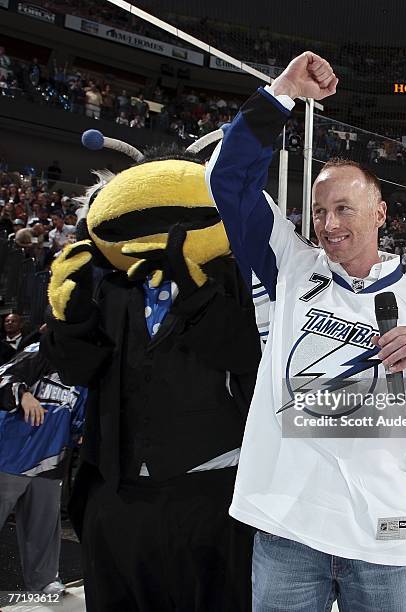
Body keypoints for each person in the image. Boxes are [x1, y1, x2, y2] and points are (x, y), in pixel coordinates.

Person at [206, 51, 406, 612]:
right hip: (287, 526)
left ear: (380, 213)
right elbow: (227, 179)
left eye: (344, 209)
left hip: (383, 535)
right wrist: (282, 91)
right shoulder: (290, 266)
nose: (328, 225)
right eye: (320, 211)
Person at [42, 142, 261, 611]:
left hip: (210, 494)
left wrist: (197, 293)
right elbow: (77, 370)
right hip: (119, 493)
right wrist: (69, 318)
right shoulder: (109, 284)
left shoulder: (231, 274)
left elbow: (246, 356)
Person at [0, 343, 86, 595]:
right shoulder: (40, 352)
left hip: (50, 461)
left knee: (44, 526)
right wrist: (24, 395)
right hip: (9, 456)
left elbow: (79, 419)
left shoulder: (83, 371)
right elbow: (3, 377)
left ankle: (44, 580)